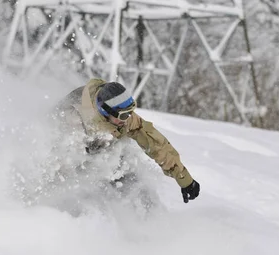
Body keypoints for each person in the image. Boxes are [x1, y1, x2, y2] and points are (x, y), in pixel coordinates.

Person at [54, 78, 200, 203]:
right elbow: (58, 160)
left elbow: (155, 143)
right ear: (106, 112)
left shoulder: (121, 117)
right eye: (125, 115)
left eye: (131, 111)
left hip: (105, 157)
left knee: (136, 188)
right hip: (74, 170)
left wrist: (185, 179)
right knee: (92, 197)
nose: (129, 118)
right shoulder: (73, 121)